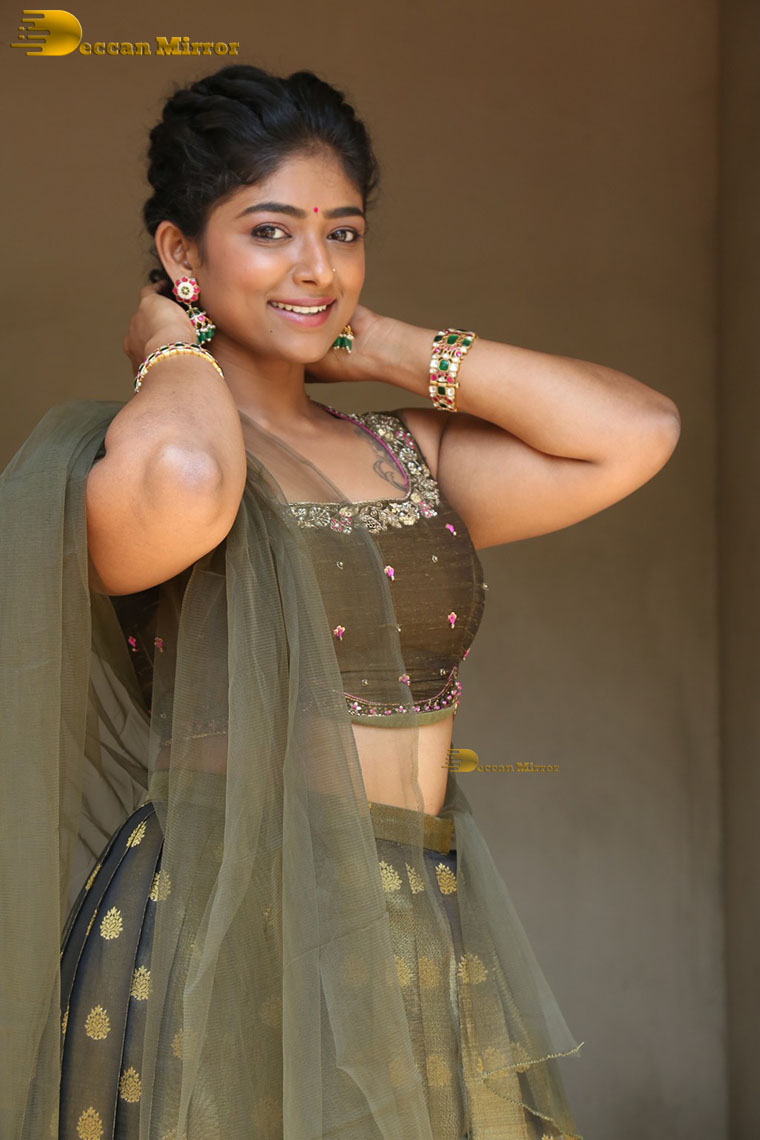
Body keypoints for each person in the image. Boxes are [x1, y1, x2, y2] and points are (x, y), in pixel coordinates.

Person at [0, 64, 681, 1140]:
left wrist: (375, 343)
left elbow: (634, 433)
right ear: (182, 251)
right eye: (271, 232)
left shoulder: (408, 453)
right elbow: (190, 482)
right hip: (226, 929)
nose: (316, 265)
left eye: (344, 234)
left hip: (420, 918)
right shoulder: (139, 454)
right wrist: (173, 349)